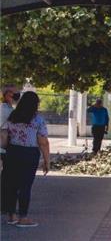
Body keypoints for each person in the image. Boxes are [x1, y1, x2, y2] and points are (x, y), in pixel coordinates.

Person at [0, 91, 50, 227]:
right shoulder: (38, 120)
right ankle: (23, 218)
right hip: (29, 154)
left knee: (11, 185)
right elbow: (43, 142)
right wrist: (47, 161)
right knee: (25, 186)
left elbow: (4, 135)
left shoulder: (12, 117)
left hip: (12, 152)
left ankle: (12, 215)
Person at [0, 84, 19, 217]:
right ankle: (5, 206)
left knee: (6, 177)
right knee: (7, 178)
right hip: (3, 147)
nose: (16, 95)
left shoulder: (7, 108)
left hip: (4, 146)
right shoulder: (5, 110)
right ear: (7, 94)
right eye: (14, 93)